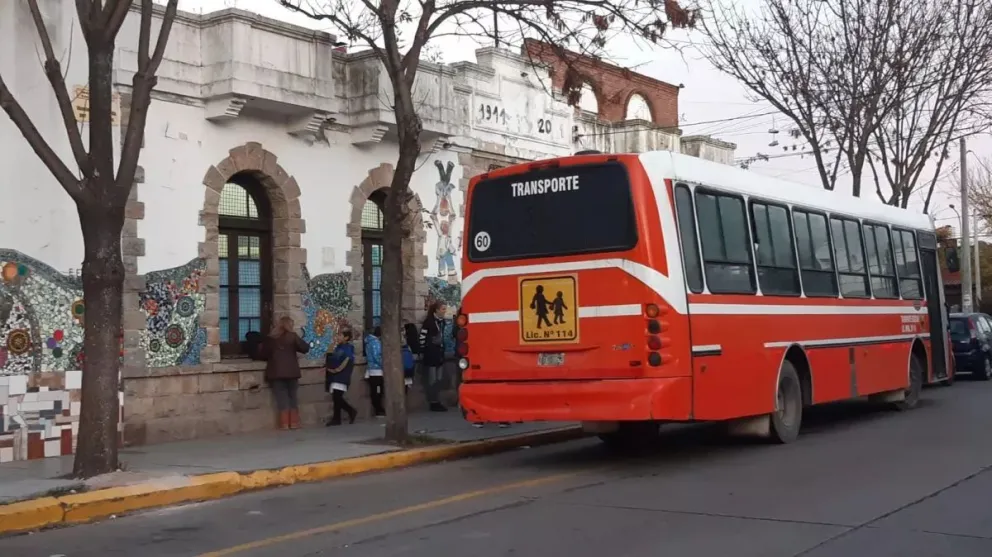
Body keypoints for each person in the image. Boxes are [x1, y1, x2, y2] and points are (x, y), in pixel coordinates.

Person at [260, 316, 310, 430]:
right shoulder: (292, 336)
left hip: (276, 372)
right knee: (293, 397)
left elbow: (263, 353)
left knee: (281, 398)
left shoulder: (271, 338)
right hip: (292, 372)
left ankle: (285, 424)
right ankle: (294, 422)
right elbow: (305, 348)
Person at [325, 328, 357, 426]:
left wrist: (335, 370)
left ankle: (350, 411)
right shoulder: (338, 347)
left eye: (340, 335)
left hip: (341, 375)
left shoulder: (348, 349)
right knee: (336, 397)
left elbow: (344, 362)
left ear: (346, 337)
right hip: (335, 375)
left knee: (337, 397)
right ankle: (337, 418)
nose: (338, 337)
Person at [419, 302, 448, 412]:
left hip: (439, 353)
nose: (444, 311)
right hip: (431, 353)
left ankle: (437, 400)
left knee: (439, 379)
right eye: (443, 309)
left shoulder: (442, 322)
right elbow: (422, 336)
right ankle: (433, 401)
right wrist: (423, 349)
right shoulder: (429, 322)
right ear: (436, 310)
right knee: (432, 379)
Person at [364, 326, 385, 417]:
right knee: (378, 390)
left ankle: (378, 408)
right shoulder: (375, 343)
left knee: (375, 390)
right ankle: (378, 409)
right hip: (377, 370)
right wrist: (384, 365)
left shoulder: (369, 342)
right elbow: (377, 357)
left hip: (372, 370)